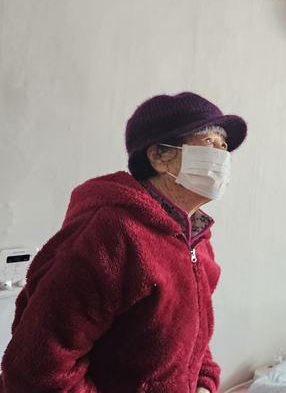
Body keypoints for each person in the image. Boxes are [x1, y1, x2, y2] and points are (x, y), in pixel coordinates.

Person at [0, 92, 247, 393]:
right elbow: (36, 368)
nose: (222, 155)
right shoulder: (111, 235)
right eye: (209, 141)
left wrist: (204, 383)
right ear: (159, 156)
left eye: (224, 146)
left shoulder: (197, 240)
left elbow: (192, 335)